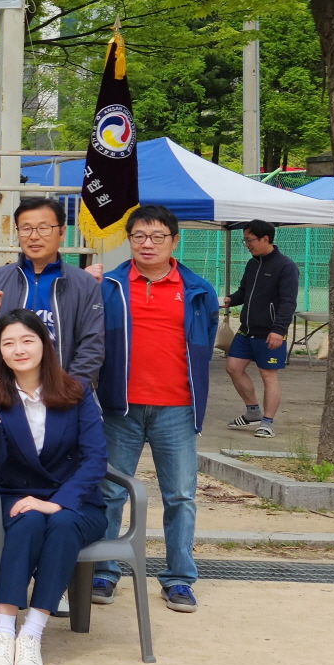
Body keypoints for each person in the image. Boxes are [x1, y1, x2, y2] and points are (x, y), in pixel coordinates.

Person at [94, 204, 217, 615]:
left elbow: (205, 342)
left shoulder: (198, 290)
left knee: (180, 495)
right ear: (128, 241)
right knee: (111, 492)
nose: (148, 244)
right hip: (121, 408)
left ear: (174, 241)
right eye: (139, 237)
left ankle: (179, 578)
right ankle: (104, 571)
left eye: (157, 237)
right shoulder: (109, 286)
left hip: (178, 408)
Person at [0, 310, 107, 665]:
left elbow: (96, 458)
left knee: (62, 522)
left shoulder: (77, 391)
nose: (19, 350)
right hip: (18, 498)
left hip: (76, 502)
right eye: (8, 343)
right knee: (29, 520)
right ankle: (3, 632)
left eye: (27, 340)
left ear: (44, 344)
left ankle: (31, 633)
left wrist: (58, 500)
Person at [0, 196, 106, 387]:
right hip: (9, 394)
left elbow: (92, 346)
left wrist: (72, 390)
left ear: (62, 232)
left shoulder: (83, 283)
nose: (34, 236)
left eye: (44, 228)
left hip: (64, 390)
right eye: (26, 228)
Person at [220, 220, 298, 438]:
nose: (247, 244)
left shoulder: (285, 266)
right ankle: (252, 411)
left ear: (265, 239)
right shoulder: (253, 264)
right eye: (245, 240)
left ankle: (267, 422)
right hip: (247, 330)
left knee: (268, 375)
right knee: (233, 367)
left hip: (270, 332)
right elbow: (243, 292)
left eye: (249, 240)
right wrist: (228, 300)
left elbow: (288, 302)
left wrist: (278, 330)